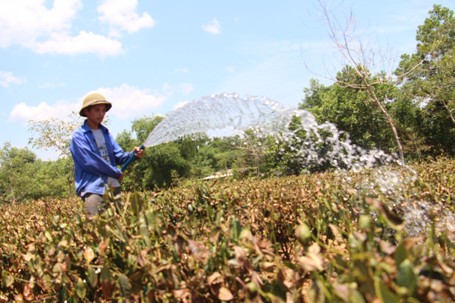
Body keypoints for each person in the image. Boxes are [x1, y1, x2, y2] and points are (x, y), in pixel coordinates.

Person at [70, 92, 144, 217]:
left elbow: (118, 156)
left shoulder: (105, 133)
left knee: (118, 226)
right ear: (87, 112)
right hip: (93, 189)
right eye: (97, 110)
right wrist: (115, 172)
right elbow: (90, 162)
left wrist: (133, 155)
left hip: (113, 186)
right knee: (97, 227)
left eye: (103, 110)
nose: (101, 114)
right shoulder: (79, 136)